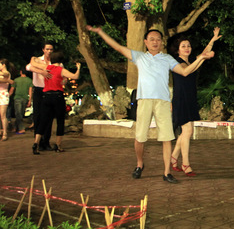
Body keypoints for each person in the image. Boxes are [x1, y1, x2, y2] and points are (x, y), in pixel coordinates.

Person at [87, 25, 214, 184]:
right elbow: (118, 47)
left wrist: (201, 57)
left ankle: (167, 172)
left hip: (162, 102)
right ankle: (140, 164)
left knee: (167, 138)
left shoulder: (167, 59)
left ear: (162, 42)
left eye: (158, 40)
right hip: (144, 100)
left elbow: (185, 72)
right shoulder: (139, 56)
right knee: (140, 137)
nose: (155, 42)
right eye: (152, 39)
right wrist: (100, 32)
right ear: (145, 42)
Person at [169, 28, 222, 176]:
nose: (187, 48)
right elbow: (186, 71)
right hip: (181, 100)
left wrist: (212, 40)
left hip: (191, 98)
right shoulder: (176, 62)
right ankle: (186, 164)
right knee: (188, 131)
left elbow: (202, 55)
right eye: (183, 46)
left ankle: (174, 157)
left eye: (189, 46)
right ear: (178, 50)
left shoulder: (191, 60)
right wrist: (202, 58)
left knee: (185, 132)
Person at [28, 51, 81, 154]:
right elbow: (75, 76)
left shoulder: (46, 67)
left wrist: (33, 58)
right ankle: (58, 145)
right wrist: (78, 68)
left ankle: (36, 143)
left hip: (46, 96)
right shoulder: (61, 70)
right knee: (60, 121)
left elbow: (33, 64)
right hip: (57, 96)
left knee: (43, 120)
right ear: (61, 60)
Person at [26, 43, 54, 149]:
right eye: (47, 49)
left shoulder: (54, 61)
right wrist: (42, 72)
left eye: (51, 49)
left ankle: (46, 141)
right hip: (38, 89)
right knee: (37, 115)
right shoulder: (37, 60)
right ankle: (38, 141)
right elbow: (28, 67)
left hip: (50, 90)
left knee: (49, 116)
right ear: (43, 49)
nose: (49, 51)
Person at [13, 70, 33, 134]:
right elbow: (30, 91)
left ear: (20, 72)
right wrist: (29, 100)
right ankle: (16, 127)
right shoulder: (30, 80)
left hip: (17, 97)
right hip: (25, 98)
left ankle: (21, 128)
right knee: (20, 113)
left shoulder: (16, 80)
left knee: (18, 113)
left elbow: (12, 89)